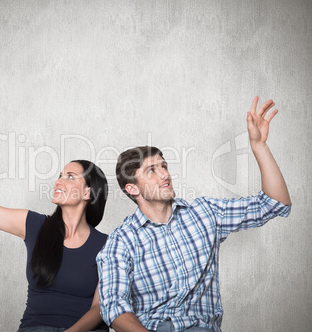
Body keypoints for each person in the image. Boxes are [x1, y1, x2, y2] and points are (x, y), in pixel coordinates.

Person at [96, 97, 292, 332]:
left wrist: (259, 146)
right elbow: (114, 308)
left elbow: (275, 203)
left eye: (164, 166)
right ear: (132, 188)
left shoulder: (204, 213)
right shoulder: (121, 241)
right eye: (152, 170)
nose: (165, 175)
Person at [0, 104, 109, 332]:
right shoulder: (33, 225)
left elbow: (99, 308)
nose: (58, 182)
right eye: (59, 176)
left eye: (70, 177)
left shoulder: (107, 244)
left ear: (87, 193)